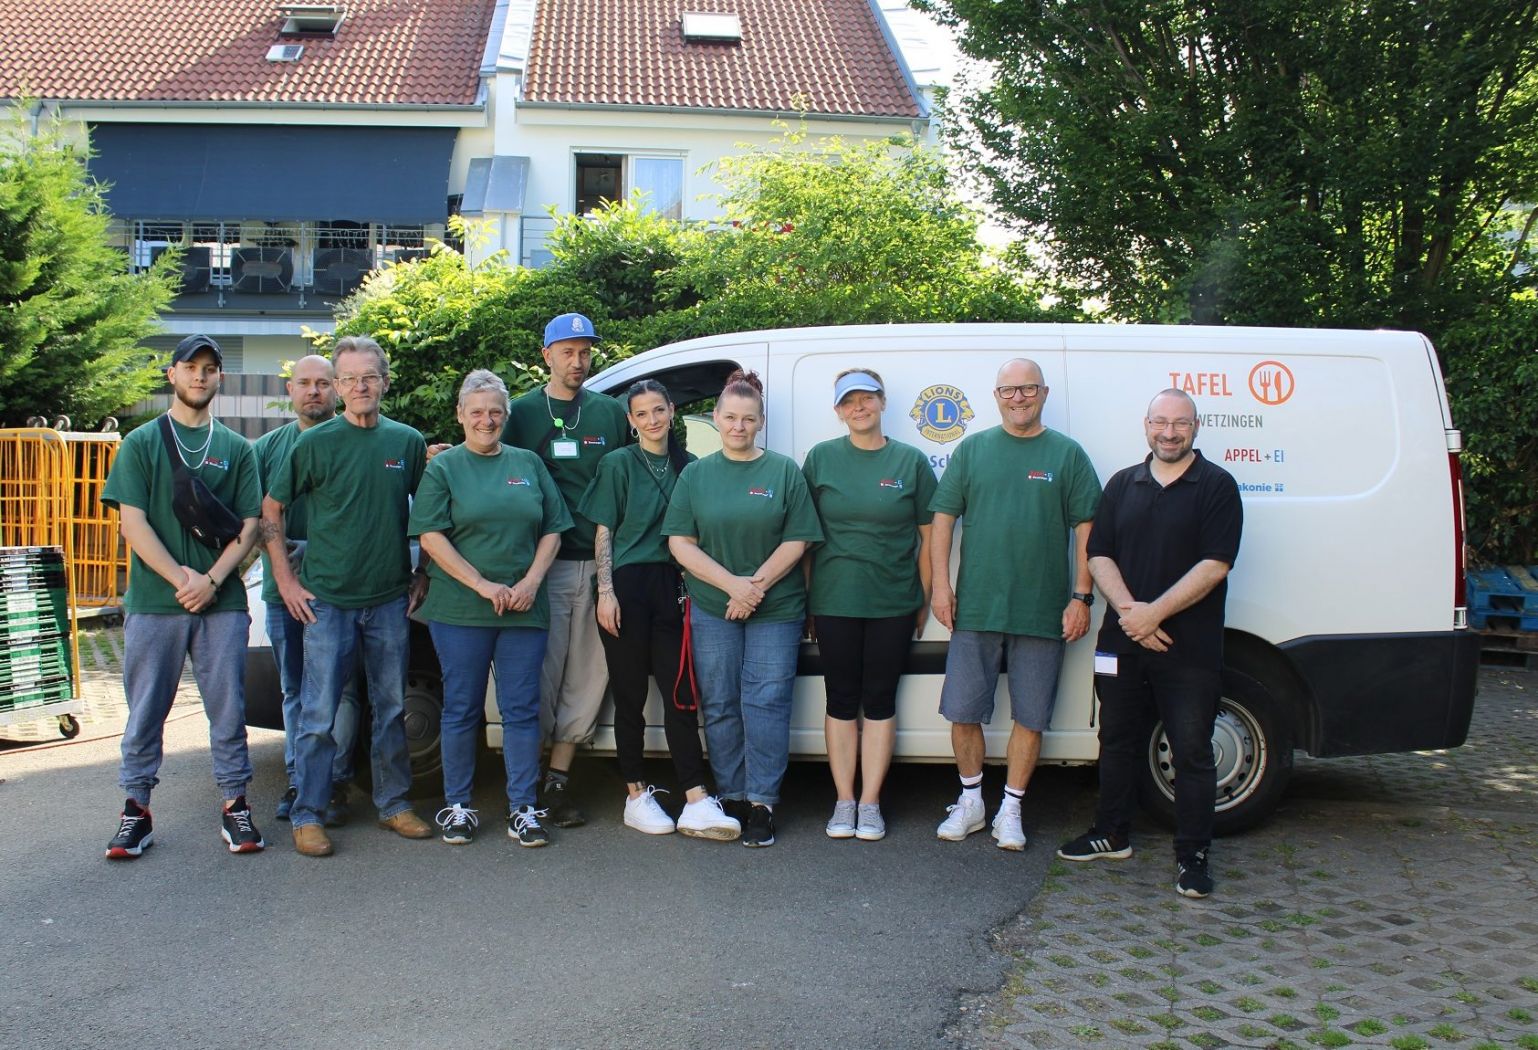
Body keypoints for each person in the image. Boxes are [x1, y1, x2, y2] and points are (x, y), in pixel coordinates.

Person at [1056, 389, 1243, 899]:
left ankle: (1192, 854)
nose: (1169, 432)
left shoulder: (1217, 486)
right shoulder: (1123, 483)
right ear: (1146, 425)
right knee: (1115, 739)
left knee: (1191, 750)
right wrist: (1131, 614)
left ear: (1196, 427)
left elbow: (1215, 563)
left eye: (1180, 423)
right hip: (1122, 641)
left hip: (1188, 648)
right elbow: (1099, 553)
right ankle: (1111, 833)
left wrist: (1153, 614)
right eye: (1160, 422)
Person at [263, 335, 433, 857]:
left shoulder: (405, 442)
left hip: (387, 600)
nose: (360, 387)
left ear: (384, 382)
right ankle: (309, 813)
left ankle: (395, 804)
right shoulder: (313, 444)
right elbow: (271, 511)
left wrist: (421, 570)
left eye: (369, 377)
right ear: (338, 387)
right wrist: (287, 583)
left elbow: (428, 513)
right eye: (350, 379)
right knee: (318, 713)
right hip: (328, 602)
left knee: (389, 709)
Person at [100, 334, 265, 858]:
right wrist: (180, 579)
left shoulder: (237, 449)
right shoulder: (143, 443)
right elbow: (133, 522)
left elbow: (250, 525)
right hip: (154, 601)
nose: (200, 376)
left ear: (220, 378)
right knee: (146, 709)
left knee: (228, 708)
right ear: (171, 374)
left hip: (223, 604)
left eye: (210, 368)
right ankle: (136, 810)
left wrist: (211, 581)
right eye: (190, 367)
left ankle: (236, 806)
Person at [930, 358, 1101, 851]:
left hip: (1043, 610)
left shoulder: (1066, 455)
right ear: (996, 395)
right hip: (977, 608)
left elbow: (1088, 529)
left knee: (1031, 715)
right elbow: (942, 520)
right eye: (1009, 390)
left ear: (1044, 392)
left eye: (1028, 389)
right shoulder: (973, 450)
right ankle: (971, 803)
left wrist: (1081, 596)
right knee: (962, 711)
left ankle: (1011, 808)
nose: (1019, 398)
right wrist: (942, 588)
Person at [410, 371, 571, 847]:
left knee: (522, 710)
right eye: (476, 411)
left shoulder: (528, 464)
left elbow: (553, 528)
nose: (487, 420)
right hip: (460, 609)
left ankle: (523, 807)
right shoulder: (443, 468)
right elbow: (431, 535)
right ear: (460, 415)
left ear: (506, 415)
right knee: (461, 708)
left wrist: (531, 581)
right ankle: (457, 806)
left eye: (495, 411)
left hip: (524, 607)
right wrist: (480, 584)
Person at [664, 370, 824, 848]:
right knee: (720, 701)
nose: (738, 426)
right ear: (715, 419)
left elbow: (798, 538)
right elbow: (680, 542)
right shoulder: (696, 474)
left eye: (748, 419)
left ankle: (762, 803)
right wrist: (733, 586)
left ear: (760, 422)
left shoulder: (782, 471)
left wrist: (754, 588)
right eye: (730, 417)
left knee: (767, 702)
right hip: (714, 605)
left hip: (776, 608)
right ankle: (731, 795)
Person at [579, 379, 741, 840]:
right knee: (629, 695)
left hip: (674, 586)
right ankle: (635, 795)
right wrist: (605, 591)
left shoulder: (688, 466)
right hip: (628, 586)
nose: (651, 419)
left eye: (658, 410)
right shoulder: (617, 464)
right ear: (630, 421)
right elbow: (604, 531)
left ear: (672, 411)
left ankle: (694, 797)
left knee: (680, 696)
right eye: (641, 413)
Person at [501, 313, 630, 827]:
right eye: (567, 351)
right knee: (540, 676)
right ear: (546, 354)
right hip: (543, 567)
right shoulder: (523, 413)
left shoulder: (610, 413)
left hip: (598, 565)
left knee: (587, 677)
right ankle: (525, 783)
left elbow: (627, 482)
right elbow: (494, 466)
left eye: (585, 351)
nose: (577, 361)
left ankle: (557, 783)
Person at [802, 368, 937, 842]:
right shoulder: (820, 459)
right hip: (835, 599)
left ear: (881, 403)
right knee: (840, 699)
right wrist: (808, 601)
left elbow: (928, 537)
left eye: (866, 399)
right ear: (838, 411)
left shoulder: (910, 461)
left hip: (893, 601)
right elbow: (804, 537)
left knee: (880, 701)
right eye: (848, 402)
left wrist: (925, 597)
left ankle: (871, 803)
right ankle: (843, 801)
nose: (858, 408)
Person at [252, 355, 360, 827]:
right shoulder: (268, 450)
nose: (313, 391)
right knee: (295, 690)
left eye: (322, 383)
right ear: (289, 390)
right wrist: (285, 571)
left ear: (336, 389)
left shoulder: (356, 439)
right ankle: (299, 780)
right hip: (286, 595)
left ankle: (333, 782)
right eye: (304, 384)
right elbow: (256, 517)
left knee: (344, 692)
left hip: (343, 593)